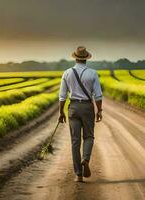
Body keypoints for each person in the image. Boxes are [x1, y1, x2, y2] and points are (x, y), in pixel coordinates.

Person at [58, 46, 103, 182]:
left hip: (73, 107)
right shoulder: (93, 73)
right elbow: (98, 95)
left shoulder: (67, 73)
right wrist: (99, 110)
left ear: (75, 58)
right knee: (88, 136)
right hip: (87, 107)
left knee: (75, 141)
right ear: (86, 59)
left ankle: (78, 174)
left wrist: (61, 112)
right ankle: (86, 159)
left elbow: (62, 96)